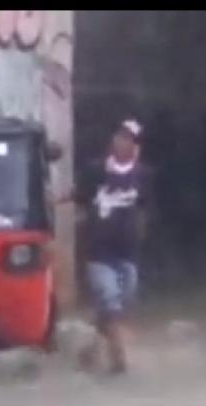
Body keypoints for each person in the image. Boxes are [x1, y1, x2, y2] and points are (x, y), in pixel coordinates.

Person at [67, 118, 150, 374]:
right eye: (119, 136)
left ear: (137, 148)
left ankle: (89, 351)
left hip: (128, 254)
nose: (121, 141)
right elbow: (78, 200)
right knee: (111, 304)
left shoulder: (144, 176)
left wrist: (138, 236)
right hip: (99, 253)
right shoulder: (95, 171)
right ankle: (119, 362)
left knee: (118, 306)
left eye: (128, 139)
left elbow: (145, 211)